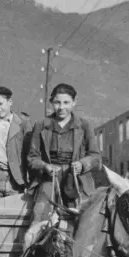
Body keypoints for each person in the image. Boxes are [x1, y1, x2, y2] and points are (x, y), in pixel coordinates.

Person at [27, 83, 101, 224]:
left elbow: (96, 157)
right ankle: (37, 246)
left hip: (78, 180)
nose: (61, 107)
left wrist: (82, 164)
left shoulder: (84, 126)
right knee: (40, 214)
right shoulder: (41, 125)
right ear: (51, 103)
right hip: (50, 179)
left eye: (66, 102)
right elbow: (32, 158)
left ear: (74, 102)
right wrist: (45, 166)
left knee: (87, 219)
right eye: (57, 102)